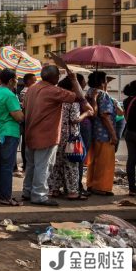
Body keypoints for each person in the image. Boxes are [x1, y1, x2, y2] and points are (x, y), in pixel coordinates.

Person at [23, 65, 90, 206]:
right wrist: (73, 80)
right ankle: (39, 195)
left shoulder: (32, 88)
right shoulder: (52, 90)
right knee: (44, 166)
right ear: (54, 77)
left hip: (30, 132)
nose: (58, 78)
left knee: (32, 166)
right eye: (57, 76)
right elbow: (79, 97)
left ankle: (27, 191)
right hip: (46, 134)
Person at [47, 77, 92, 201]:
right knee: (71, 164)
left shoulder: (57, 99)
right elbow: (75, 119)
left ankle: (54, 190)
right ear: (72, 88)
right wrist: (87, 113)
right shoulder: (73, 100)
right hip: (71, 137)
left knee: (56, 163)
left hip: (56, 135)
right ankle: (72, 192)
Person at [0, 68, 24, 206]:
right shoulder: (9, 95)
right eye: (15, 79)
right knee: (7, 166)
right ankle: (6, 197)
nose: (16, 82)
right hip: (8, 132)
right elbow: (18, 116)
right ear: (10, 80)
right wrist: (23, 111)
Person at [85, 71, 117, 196]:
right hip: (104, 134)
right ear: (103, 82)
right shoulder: (103, 94)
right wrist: (113, 134)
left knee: (94, 160)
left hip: (93, 132)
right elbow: (104, 115)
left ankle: (91, 184)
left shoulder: (90, 92)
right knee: (105, 162)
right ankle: (101, 187)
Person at [18, 73, 37, 174]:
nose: (36, 83)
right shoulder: (26, 91)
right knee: (25, 142)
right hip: (26, 120)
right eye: (34, 81)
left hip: (26, 119)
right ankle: (26, 164)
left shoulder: (27, 91)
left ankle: (26, 163)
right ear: (29, 81)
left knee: (25, 142)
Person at [123, 81, 136, 197]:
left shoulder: (127, 101)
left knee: (131, 160)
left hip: (129, 133)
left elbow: (125, 116)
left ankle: (132, 189)